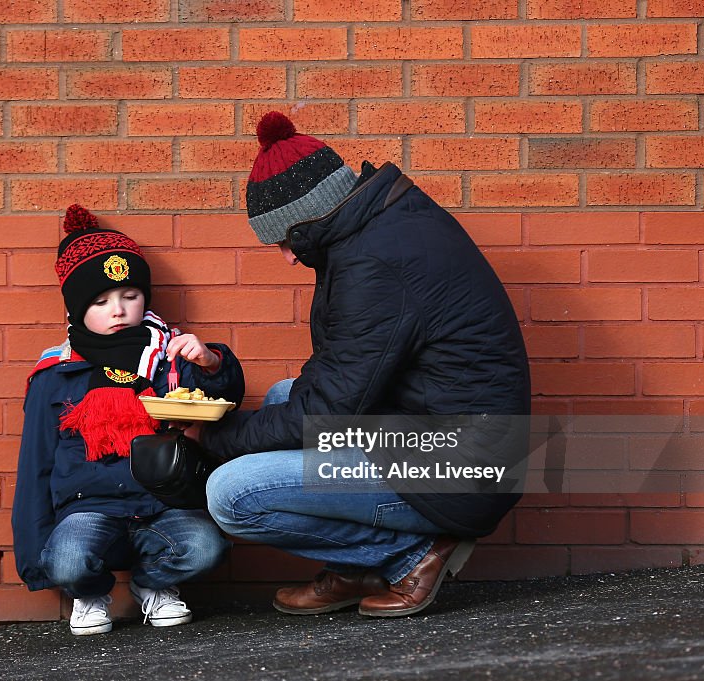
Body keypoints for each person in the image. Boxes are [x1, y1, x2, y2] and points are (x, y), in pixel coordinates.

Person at [192, 111, 531, 618]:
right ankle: (356, 568)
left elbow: (330, 406)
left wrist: (213, 440)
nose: (286, 257)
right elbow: (334, 380)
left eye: (285, 239)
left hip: (461, 463)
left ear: (310, 216)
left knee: (232, 493)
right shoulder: (379, 226)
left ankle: (410, 555)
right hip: (436, 428)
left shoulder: (374, 265)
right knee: (286, 396)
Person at [12, 204, 245, 635]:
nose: (118, 310)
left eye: (130, 296)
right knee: (64, 560)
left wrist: (211, 362)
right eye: (100, 301)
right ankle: (91, 593)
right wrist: (36, 558)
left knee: (205, 548)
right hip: (88, 508)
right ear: (76, 310)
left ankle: (152, 585)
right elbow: (35, 466)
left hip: (163, 505)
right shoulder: (55, 373)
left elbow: (223, 398)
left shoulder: (171, 355)